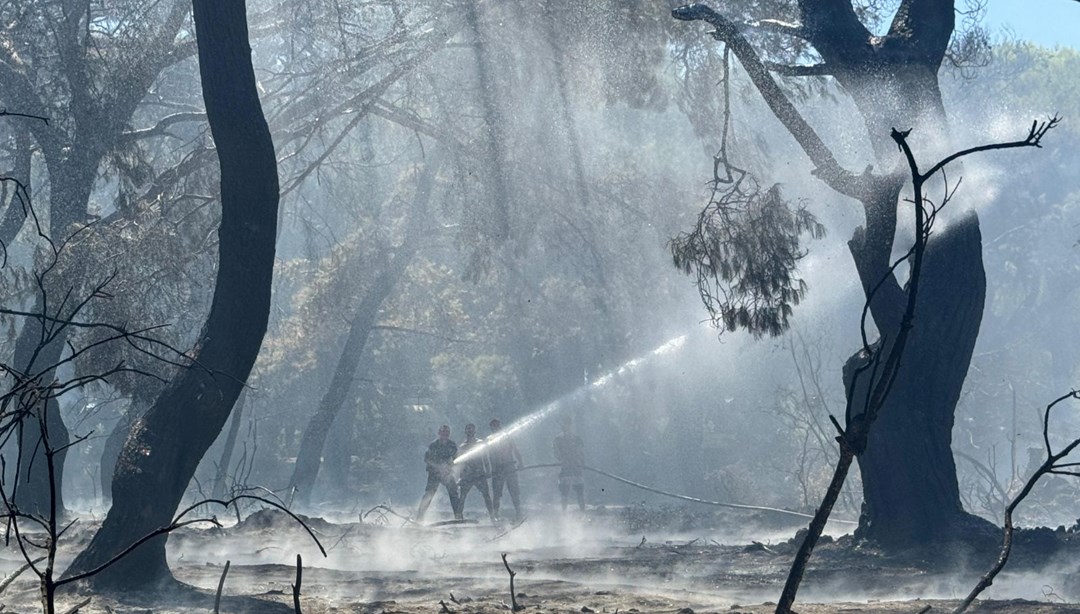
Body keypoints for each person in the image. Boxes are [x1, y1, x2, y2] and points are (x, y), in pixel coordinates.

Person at [416, 424, 462, 522]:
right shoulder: (433, 445)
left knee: (454, 493)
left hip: (447, 474)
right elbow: (427, 459)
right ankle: (419, 518)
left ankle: (458, 517)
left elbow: (456, 458)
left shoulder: (452, 445)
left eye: (447, 432)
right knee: (429, 494)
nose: (445, 434)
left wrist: (450, 465)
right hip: (434, 474)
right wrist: (438, 467)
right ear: (439, 433)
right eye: (443, 432)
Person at [455, 423, 496, 522]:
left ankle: (492, 517)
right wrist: (460, 477)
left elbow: (485, 457)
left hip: (479, 474)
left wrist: (488, 470)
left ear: (475, 431)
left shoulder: (480, 443)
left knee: (486, 496)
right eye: (468, 429)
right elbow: (460, 462)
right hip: (467, 475)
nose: (470, 431)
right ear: (465, 431)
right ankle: (458, 518)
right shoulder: (462, 446)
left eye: (471, 429)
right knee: (462, 497)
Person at [487, 418, 524, 522]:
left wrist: (521, 462)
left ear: (500, 426)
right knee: (497, 493)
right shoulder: (489, 439)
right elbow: (489, 456)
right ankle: (496, 516)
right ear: (491, 428)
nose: (495, 428)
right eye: (493, 426)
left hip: (509, 467)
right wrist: (492, 469)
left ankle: (518, 512)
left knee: (514, 491)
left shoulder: (507, 437)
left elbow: (515, 450)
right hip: (497, 470)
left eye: (497, 426)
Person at [553, 417, 586, 511]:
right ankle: (564, 513)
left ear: (571, 425)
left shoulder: (577, 438)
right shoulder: (558, 439)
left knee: (580, 491)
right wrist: (563, 460)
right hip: (564, 469)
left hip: (576, 468)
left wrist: (582, 462)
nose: (565, 426)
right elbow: (556, 453)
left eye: (567, 424)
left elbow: (581, 452)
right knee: (564, 492)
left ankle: (583, 512)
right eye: (564, 424)